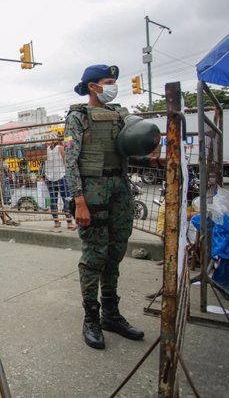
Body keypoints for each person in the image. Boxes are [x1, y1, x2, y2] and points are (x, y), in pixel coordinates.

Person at [64, 64, 163, 350]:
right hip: (92, 191)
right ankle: (91, 318)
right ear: (93, 86)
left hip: (119, 187)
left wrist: (153, 146)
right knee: (95, 255)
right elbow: (70, 161)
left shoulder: (120, 114)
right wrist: (79, 200)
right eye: (108, 82)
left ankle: (111, 314)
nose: (113, 86)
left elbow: (137, 136)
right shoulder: (78, 117)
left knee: (116, 251)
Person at [44, 140, 76, 229]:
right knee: (66, 198)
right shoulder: (60, 148)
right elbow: (66, 162)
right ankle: (68, 222)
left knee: (54, 200)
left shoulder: (47, 150)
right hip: (60, 176)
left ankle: (57, 222)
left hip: (51, 177)